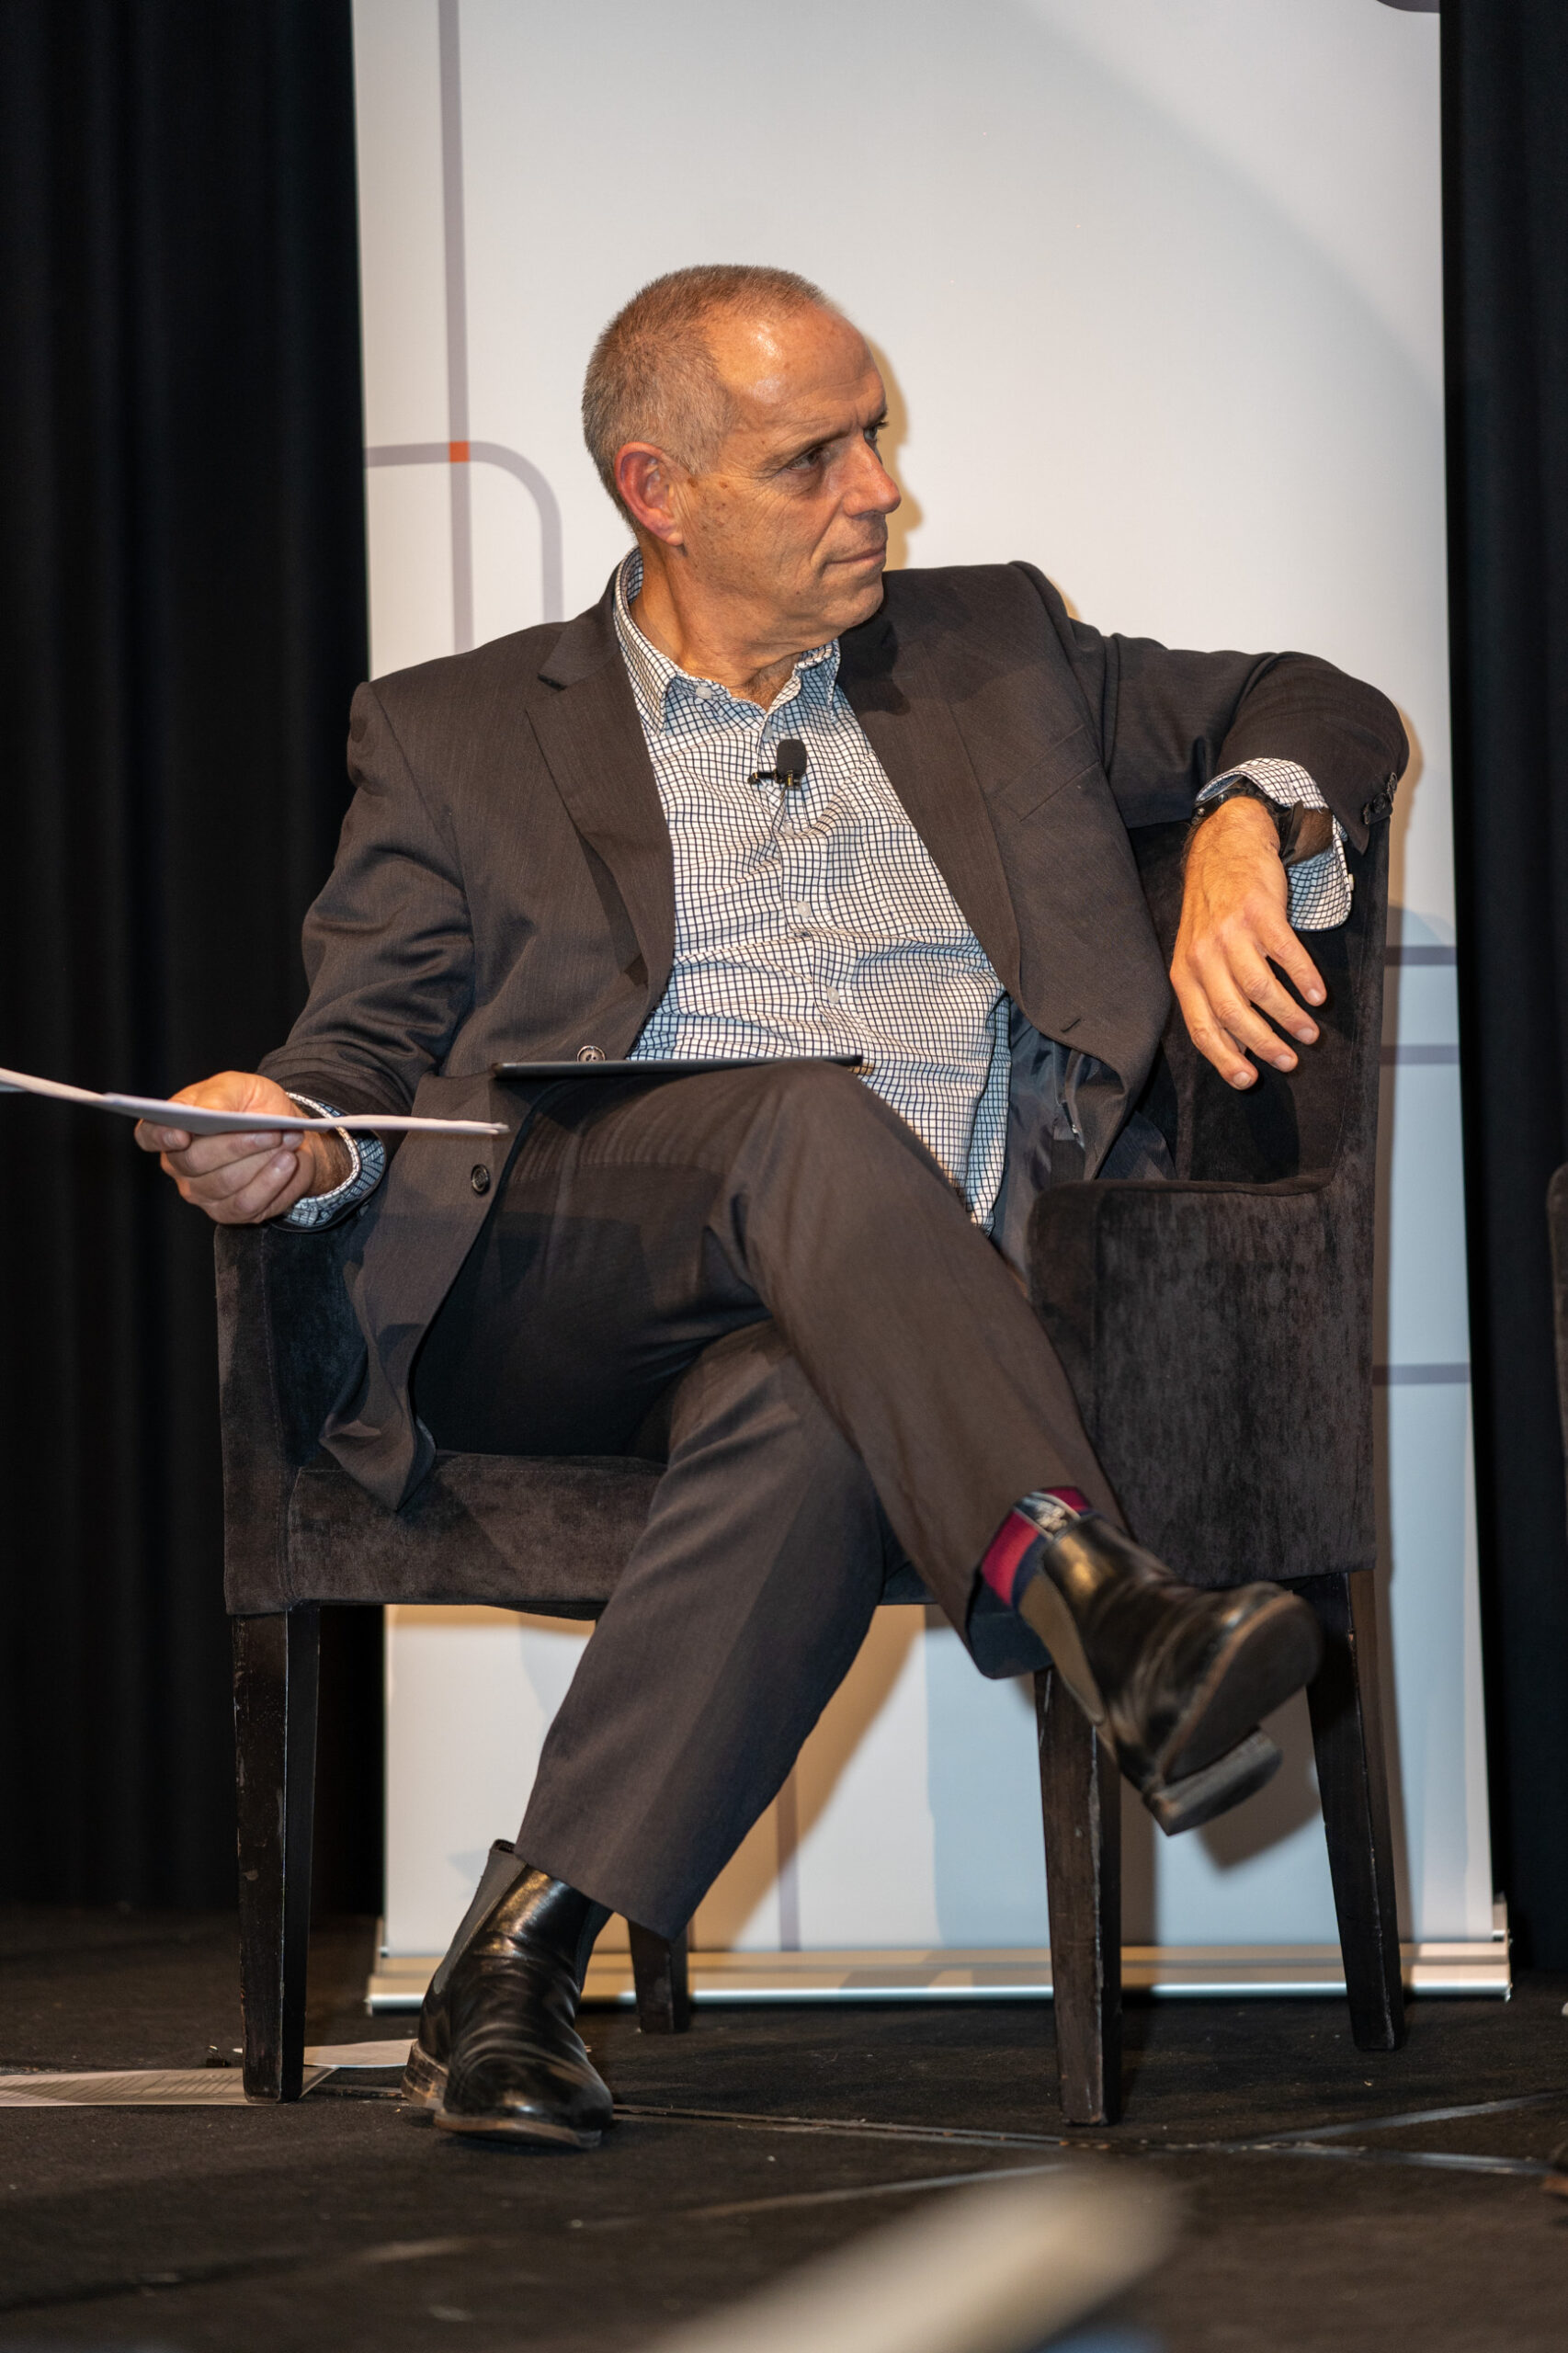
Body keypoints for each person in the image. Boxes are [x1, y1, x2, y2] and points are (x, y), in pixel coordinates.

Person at [139, 265, 1406, 2150]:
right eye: (815, 457)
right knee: (801, 1119)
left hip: (892, 1316)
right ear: (658, 491)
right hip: (561, 1282)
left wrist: (1243, 816)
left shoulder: (995, 650)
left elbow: (1322, 703)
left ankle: (512, 1964)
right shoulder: (456, 729)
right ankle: (1092, 1600)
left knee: (803, 1409)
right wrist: (289, 1138)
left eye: (872, 433)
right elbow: (362, 1051)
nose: (878, 487)